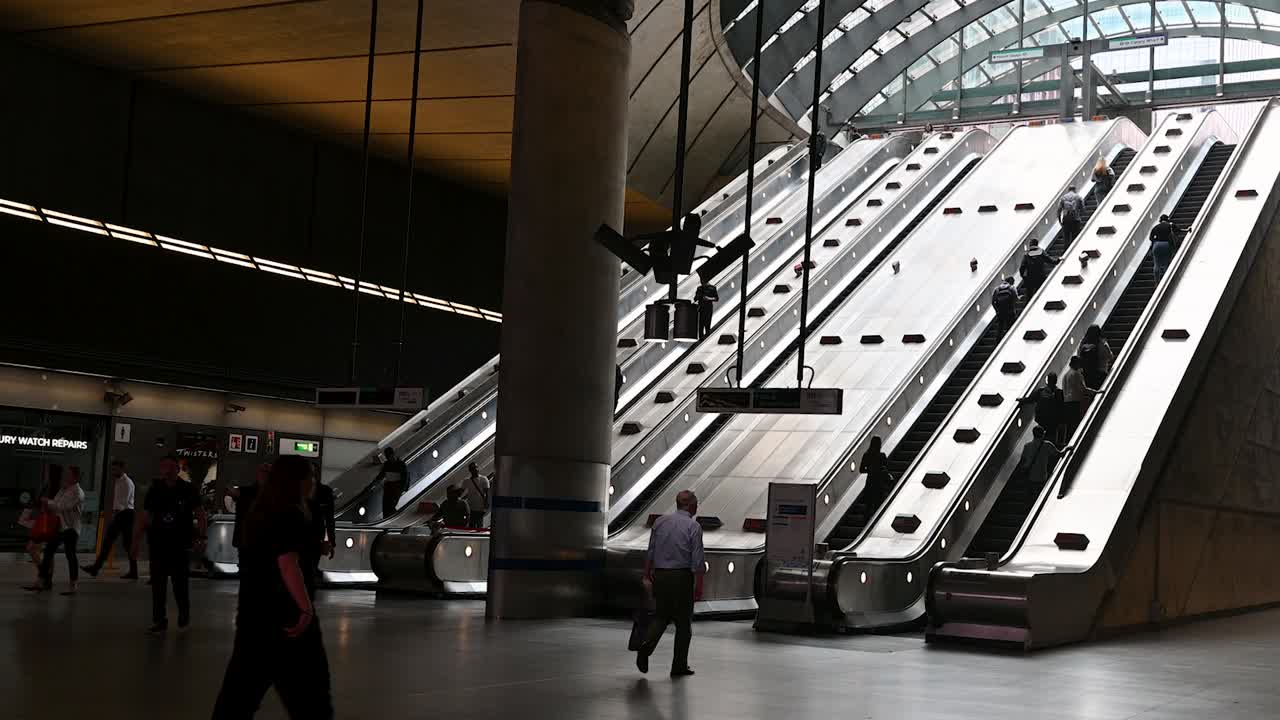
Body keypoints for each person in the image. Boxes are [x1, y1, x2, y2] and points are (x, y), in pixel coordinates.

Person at [211, 456, 334, 719]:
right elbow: (288, 564)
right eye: (309, 476)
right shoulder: (292, 513)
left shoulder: (259, 511)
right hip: (288, 620)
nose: (313, 481)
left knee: (237, 700)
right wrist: (305, 609)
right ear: (296, 481)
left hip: (254, 618)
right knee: (313, 702)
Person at [132, 455, 206, 633]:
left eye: (170, 467)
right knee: (158, 584)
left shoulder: (188, 489)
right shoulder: (155, 489)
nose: (166, 470)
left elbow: (200, 514)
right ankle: (159, 620)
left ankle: (183, 613)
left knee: (179, 583)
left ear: (177, 470)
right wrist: (135, 541)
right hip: (158, 543)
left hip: (180, 544)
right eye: (163, 466)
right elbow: (145, 516)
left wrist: (201, 537)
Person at [636, 490, 704, 678]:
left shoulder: (660, 522)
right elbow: (697, 561)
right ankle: (679, 665)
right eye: (696, 503)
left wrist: (647, 574)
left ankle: (645, 648)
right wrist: (698, 585)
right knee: (683, 623)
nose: (697, 507)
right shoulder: (694, 526)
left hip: (661, 575)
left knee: (661, 616)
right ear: (690, 505)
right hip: (681, 577)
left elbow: (651, 551)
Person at [26, 466, 84, 595]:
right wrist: (48, 503)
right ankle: (41, 581)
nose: (66, 476)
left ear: (75, 477)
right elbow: (55, 504)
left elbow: (63, 506)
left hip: (71, 528)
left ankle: (73, 585)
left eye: (68, 474)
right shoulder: (64, 489)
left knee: (70, 555)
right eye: (66, 474)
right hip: (60, 527)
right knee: (49, 551)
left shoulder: (77, 492)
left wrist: (48, 501)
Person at [82, 460, 138, 579]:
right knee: (118, 543)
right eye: (112, 469)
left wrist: (115, 515)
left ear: (122, 469)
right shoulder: (119, 481)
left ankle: (96, 568)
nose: (113, 471)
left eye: (115, 469)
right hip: (122, 514)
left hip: (125, 514)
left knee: (114, 542)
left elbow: (122, 503)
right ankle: (97, 568)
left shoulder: (126, 483)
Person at [1012, 425, 1066, 491]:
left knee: (1031, 494)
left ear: (1033, 434)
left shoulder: (1027, 446)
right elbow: (1059, 454)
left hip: (1030, 477)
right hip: (1042, 477)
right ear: (1043, 434)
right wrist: (1067, 448)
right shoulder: (1047, 445)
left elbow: (1023, 461)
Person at [230, 463, 271, 549]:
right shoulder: (245, 492)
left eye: (267, 472)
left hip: (252, 541)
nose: (265, 475)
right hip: (250, 541)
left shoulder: (244, 492)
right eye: (263, 472)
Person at [1061, 355, 1102, 441]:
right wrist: (1096, 392)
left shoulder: (1065, 375)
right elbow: (1083, 389)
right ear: (1076, 363)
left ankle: (1068, 441)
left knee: (1069, 424)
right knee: (1076, 423)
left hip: (1066, 402)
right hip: (1076, 402)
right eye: (1079, 363)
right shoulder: (1076, 374)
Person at [1017, 373, 1065, 444]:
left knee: (1041, 436)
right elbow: (1062, 407)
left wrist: (1021, 400)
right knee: (1051, 438)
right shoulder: (1059, 393)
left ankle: (1040, 448)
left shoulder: (1041, 391)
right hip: (1053, 420)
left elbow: (1031, 399)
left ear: (1047, 381)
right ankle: (1049, 449)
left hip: (1042, 419)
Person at [374, 447, 408, 520]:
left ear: (393, 455)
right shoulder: (387, 464)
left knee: (391, 505)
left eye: (391, 456)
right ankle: (386, 518)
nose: (390, 458)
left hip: (397, 488)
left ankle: (394, 518)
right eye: (388, 457)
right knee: (385, 505)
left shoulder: (401, 464)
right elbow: (381, 475)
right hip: (388, 487)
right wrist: (373, 483)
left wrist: (403, 489)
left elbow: (406, 477)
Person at [1149, 214, 1184, 281]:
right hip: (1166, 244)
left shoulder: (1155, 227)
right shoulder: (1170, 225)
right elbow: (1179, 230)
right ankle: (1166, 280)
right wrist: (1186, 229)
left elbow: (1151, 238)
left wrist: (1156, 241)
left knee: (1156, 264)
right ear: (1167, 220)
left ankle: (1156, 281)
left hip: (1157, 245)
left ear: (1160, 220)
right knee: (1166, 263)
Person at [1079, 324, 1114, 389]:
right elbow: (1110, 357)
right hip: (1101, 372)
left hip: (1087, 374)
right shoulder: (1103, 343)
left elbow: (1079, 356)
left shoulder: (1083, 343)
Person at [462, 463, 490, 529]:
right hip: (470, 507)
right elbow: (461, 491)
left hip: (480, 507)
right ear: (470, 470)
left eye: (476, 467)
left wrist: (486, 503)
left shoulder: (484, 479)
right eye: (473, 468)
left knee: (479, 525)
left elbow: (487, 493)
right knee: (471, 526)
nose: (475, 469)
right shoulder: (466, 481)